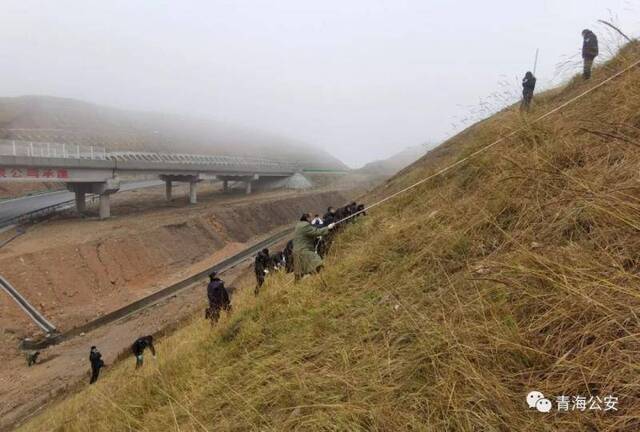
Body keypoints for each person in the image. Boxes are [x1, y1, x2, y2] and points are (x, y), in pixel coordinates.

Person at [293, 213, 335, 281]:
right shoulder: (305, 225)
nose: (311, 219)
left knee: (299, 274)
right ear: (307, 218)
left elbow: (311, 231)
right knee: (318, 263)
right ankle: (320, 280)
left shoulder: (299, 225)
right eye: (310, 217)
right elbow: (316, 231)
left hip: (296, 252)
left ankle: (295, 289)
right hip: (304, 251)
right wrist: (328, 228)